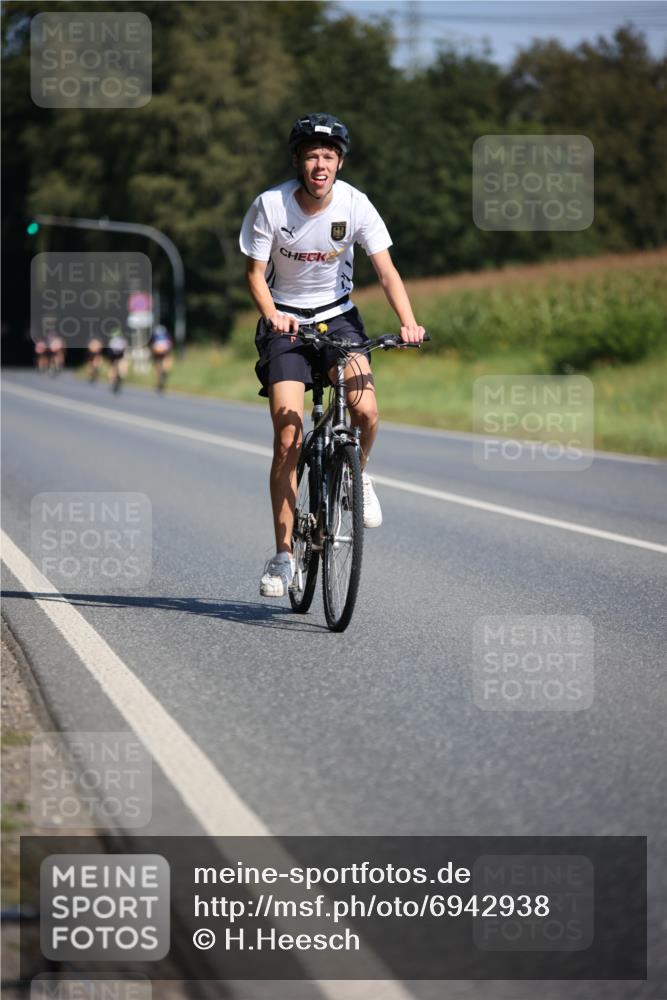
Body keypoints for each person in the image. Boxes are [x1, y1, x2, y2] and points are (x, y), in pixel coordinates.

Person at [239, 112, 424, 598]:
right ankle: (282, 558)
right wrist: (273, 315)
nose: (320, 165)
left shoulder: (355, 204)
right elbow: (255, 275)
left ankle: (356, 476)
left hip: (339, 317)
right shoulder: (271, 206)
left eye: (328, 156)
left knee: (365, 410)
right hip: (287, 324)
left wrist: (408, 321)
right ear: (299, 161)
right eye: (311, 156)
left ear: (339, 162)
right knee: (288, 434)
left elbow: (386, 270)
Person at [149, 324, 174, 392]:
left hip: (156, 352)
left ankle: (159, 381)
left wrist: (152, 352)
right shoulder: (167, 335)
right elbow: (170, 344)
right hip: (165, 351)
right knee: (167, 361)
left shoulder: (154, 335)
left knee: (157, 366)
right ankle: (165, 372)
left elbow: (151, 345)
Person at [106, 327, 129, 393]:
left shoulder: (111, 340)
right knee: (121, 365)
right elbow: (125, 347)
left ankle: (112, 381)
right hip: (117, 355)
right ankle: (120, 376)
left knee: (112, 367)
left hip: (113, 355)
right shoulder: (121, 340)